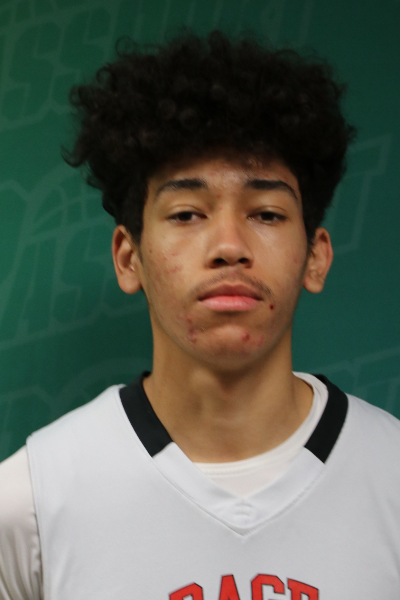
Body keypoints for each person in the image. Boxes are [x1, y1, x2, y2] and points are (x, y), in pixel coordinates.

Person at [0, 31, 399, 600]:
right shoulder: (31, 505)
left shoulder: (391, 477)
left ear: (315, 256)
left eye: (266, 213)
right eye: (187, 214)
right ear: (129, 257)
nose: (229, 245)